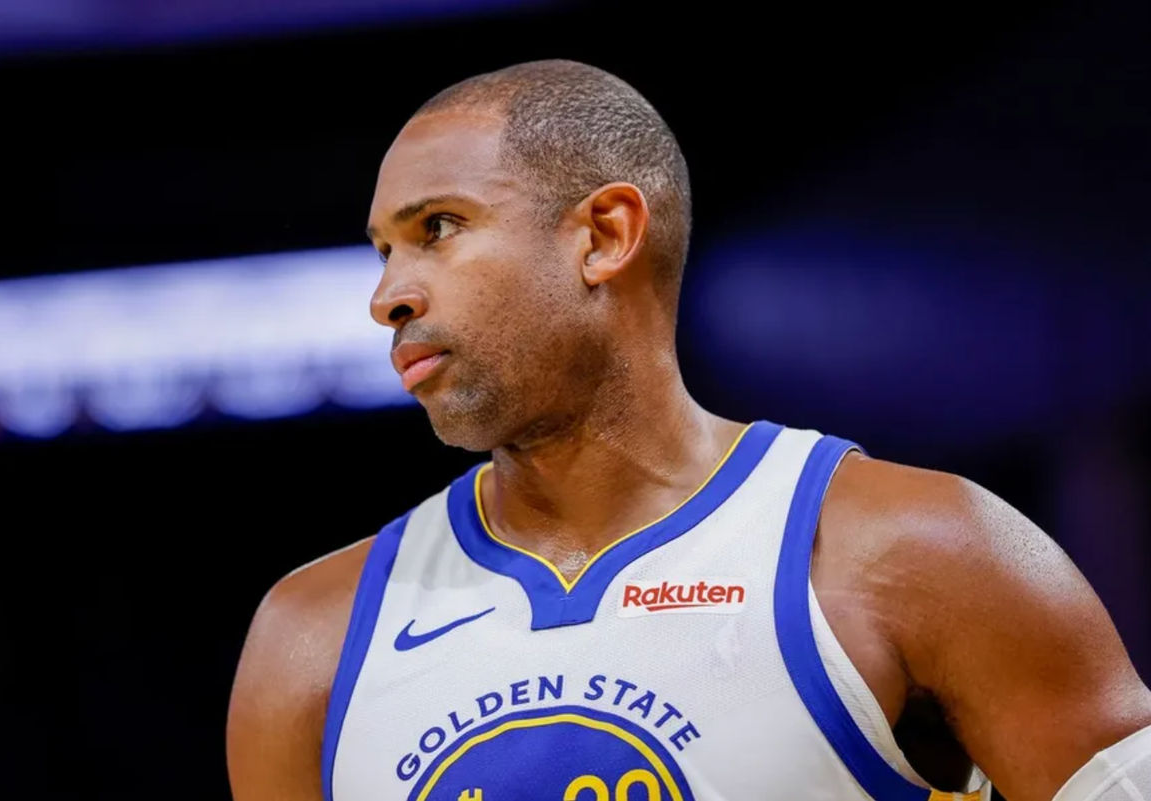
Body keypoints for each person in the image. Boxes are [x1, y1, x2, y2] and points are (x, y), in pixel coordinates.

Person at [226, 59, 1151, 801]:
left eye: (439, 227)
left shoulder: (922, 551)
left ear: (604, 235)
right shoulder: (311, 635)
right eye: (383, 250)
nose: (389, 295)